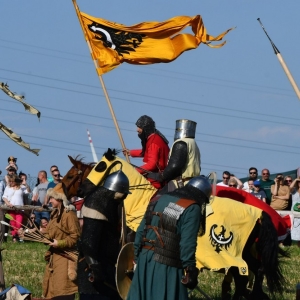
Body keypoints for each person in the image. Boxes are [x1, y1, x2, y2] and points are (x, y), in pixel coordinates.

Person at [127, 176, 211, 300]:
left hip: (144, 259)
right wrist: (190, 269)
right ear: (201, 196)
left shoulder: (158, 199)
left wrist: (137, 257)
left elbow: (140, 231)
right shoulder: (192, 207)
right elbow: (187, 243)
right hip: (166, 265)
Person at [42, 188, 80, 300]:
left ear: (60, 198)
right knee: (53, 291)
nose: (49, 201)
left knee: (63, 292)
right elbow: (49, 232)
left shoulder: (69, 215)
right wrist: (34, 234)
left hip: (66, 259)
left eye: (52, 198)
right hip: (54, 259)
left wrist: (60, 243)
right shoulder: (54, 214)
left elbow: (75, 237)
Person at [147, 119, 201, 190]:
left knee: (157, 199)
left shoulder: (181, 143)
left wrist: (161, 176)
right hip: (193, 183)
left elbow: (174, 166)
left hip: (180, 185)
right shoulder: (193, 143)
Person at [122, 115, 169, 189]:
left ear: (146, 129)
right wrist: (130, 153)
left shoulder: (154, 141)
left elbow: (151, 164)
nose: (137, 130)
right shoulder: (155, 138)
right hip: (157, 179)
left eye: (140, 127)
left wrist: (134, 172)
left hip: (155, 182)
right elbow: (149, 152)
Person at [2, 174, 28, 242]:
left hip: (20, 209)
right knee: (13, 224)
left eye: (12, 181)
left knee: (19, 224)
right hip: (11, 209)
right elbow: (4, 197)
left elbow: (28, 192)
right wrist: (8, 203)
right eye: (10, 181)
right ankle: (15, 238)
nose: (11, 183)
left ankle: (16, 236)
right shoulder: (8, 187)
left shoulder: (22, 187)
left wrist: (25, 184)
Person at [289, 177, 300, 247]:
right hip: (294, 214)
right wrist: (296, 179)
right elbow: (290, 187)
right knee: (294, 231)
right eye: (299, 182)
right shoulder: (294, 191)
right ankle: (296, 247)